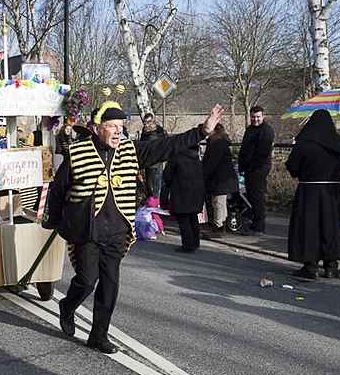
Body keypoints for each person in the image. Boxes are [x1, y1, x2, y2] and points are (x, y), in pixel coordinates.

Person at [44, 101, 223, 354]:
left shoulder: (131, 150)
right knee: (86, 281)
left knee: (110, 285)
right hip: (87, 231)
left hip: (117, 231)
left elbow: (167, 146)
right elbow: (58, 191)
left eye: (121, 126)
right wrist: (54, 221)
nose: (118, 131)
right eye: (111, 126)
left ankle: (98, 335)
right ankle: (68, 306)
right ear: (97, 128)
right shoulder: (76, 153)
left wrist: (201, 131)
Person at [286, 109, 340, 280]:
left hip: (310, 191)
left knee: (309, 227)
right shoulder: (339, 142)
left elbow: (293, 166)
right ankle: (331, 266)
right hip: (331, 191)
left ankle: (310, 265)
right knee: (330, 227)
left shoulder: (305, 142)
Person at [238, 106, 275, 235]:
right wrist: (242, 166)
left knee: (257, 197)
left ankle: (259, 227)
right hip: (249, 168)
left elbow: (262, 153)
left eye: (258, 117)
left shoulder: (267, 131)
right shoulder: (250, 130)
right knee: (251, 196)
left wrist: (250, 165)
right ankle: (253, 221)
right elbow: (244, 149)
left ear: (263, 116)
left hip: (259, 168)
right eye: (253, 117)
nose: (255, 119)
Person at [164, 144, 205, 252]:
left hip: (181, 191)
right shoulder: (197, 158)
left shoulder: (177, 157)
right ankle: (195, 242)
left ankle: (188, 245)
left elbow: (167, 175)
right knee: (193, 217)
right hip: (196, 192)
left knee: (184, 220)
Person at [202, 124, 238, 238]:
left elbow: (211, 163)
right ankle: (220, 225)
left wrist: (203, 173)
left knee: (218, 203)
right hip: (222, 178)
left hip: (220, 179)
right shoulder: (219, 142)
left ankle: (218, 227)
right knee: (219, 203)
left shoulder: (216, 144)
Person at [139, 113, 167, 199]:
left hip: (156, 162)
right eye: (145, 122)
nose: (146, 124)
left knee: (155, 187)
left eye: (148, 122)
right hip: (150, 162)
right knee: (151, 186)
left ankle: (155, 203)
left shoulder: (158, 132)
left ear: (153, 122)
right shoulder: (145, 132)